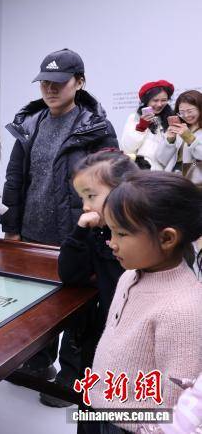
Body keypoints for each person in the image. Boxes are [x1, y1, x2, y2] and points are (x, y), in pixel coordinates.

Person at [0, 48, 118, 403]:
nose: (50, 89)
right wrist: (11, 227)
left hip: (76, 234)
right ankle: (38, 361)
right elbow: (15, 179)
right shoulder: (30, 124)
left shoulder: (96, 128)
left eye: (59, 82)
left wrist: (99, 228)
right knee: (35, 303)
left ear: (79, 83)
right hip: (32, 232)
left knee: (77, 305)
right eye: (44, 83)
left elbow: (111, 182)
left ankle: (72, 373)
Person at [88, 171, 202, 434]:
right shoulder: (130, 275)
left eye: (121, 234)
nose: (112, 243)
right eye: (110, 231)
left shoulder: (183, 309)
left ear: (166, 238)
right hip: (105, 407)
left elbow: (176, 400)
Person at [58, 149, 138, 427]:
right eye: (82, 198)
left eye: (91, 196)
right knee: (91, 411)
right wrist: (80, 232)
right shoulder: (97, 232)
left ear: (124, 191)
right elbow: (71, 275)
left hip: (134, 347)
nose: (85, 206)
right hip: (100, 336)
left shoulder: (145, 239)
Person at [120, 80, 175, 170]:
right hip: (143, 171)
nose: (159, 104)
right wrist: (141, 127)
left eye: (164, 100)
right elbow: (127, 149)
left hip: (167, 173)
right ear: (146, 101)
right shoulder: (135, 117)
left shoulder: (171, 118)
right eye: (155, 100)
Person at [156, 90, 202, 184]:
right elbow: (162, 160)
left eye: (190, 111)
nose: (186, 115)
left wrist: (189, 138)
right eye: (181, 112)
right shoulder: (179, 128)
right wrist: (170, 140)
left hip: (194, 181)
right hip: (174, 179)